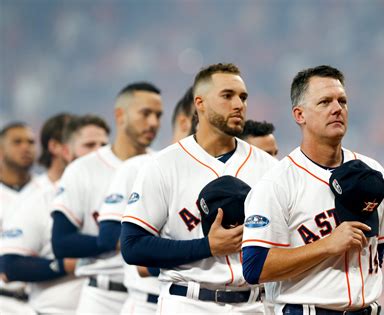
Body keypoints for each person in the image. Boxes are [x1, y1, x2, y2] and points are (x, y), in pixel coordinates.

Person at [120, 63, 277, 314]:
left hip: (254, 304)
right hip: (189, 301)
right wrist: (208, 247)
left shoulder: (269, 167)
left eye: (243, 97)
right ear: (200, 103)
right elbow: (133, 246)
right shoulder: (163, 165)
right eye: (227, 96)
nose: (239, 104)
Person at [242, 65, 384, 315]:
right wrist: (327, 245)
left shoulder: (373, 172)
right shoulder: (276, 183)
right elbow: (254, 268)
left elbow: (379, 247)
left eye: (342, 101)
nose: (337, 108)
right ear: (299, 115)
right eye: (325, 102)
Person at [50, 82, 163, 314]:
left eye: (158, 115)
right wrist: (115, 241)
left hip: (151, 295)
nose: (153, 122)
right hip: (102, 294)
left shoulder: (161, 166)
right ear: (120, 115)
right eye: (145, 113)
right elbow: (61, 243)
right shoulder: (83, 168)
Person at [97, 86, 196, 315]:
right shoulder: (140, 166)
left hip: (189, 303)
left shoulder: (207, 174)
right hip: (144, 301)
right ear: (184, 123)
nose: (153, 122)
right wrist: (193, 253)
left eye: (158, 116)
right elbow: (111, 235)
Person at [0, 114, 110, 314]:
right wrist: (73, 264)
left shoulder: (117, 194)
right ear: (64, 150)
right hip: (21, 304)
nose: (99, 153)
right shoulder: (37, 197)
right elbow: (9, 266)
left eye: (104, 145)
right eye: (90, 145)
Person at [0, 121, 43, 314]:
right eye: (17, 142)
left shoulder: (47, 190)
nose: (26, 147)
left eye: (31, 142)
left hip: (40, 297)